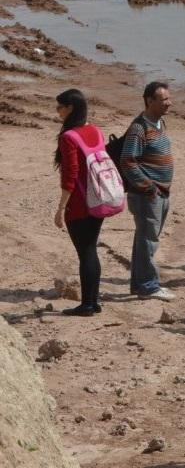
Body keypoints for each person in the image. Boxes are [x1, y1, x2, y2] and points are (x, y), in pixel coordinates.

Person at [120, 81, 175, 301]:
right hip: (147, 195)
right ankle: (148, 286)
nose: (169, 104)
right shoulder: (138, 129)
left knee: (146, 239)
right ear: (149, 101)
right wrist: (148, 186)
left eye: (169, 99)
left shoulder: (160, 123)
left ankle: (141, 284)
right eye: (164, 100)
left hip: (161, 192)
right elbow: (127, 161)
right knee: (148, 240)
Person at [53, 89, 105, 316]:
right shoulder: (94, 130)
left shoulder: (68, 137)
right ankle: (93, 301)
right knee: (91, 249)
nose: (57, 112)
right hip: (98, 198)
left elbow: (70, 175)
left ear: (70, 108)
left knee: (85, 252)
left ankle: (86, 305)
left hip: (80, 203)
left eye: (59, 107)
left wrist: (60, 207)